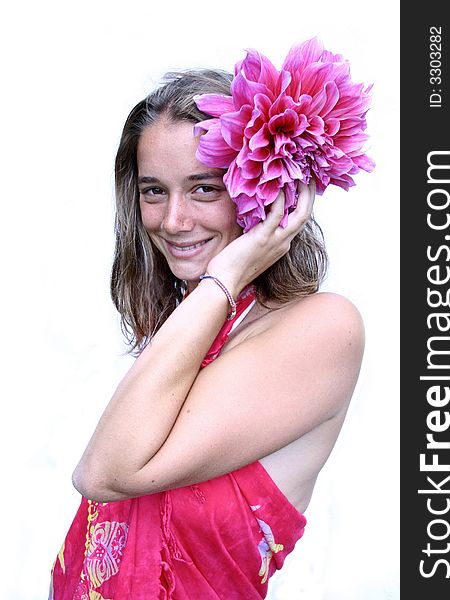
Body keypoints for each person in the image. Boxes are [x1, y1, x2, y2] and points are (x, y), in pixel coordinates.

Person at [50, 68, 365, 599]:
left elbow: (103, 472)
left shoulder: (325, 328)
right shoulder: (197, 333)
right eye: (154, 191)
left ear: (267, 192)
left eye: (204, 188)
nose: (173, 220)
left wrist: (229, 272)